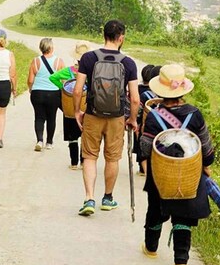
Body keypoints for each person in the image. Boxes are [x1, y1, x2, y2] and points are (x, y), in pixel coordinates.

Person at [139, 64, 214, 265]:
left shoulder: (154, 117)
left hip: (162, 172)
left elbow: (145, 147)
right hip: (189, 171)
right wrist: (207, 165)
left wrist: (148, 168)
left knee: (155, 209)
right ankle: (181, 262)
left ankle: (151, 248)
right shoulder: (195, 114)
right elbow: (205, 146)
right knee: (184, 214)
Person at [72, 19, 140, 216]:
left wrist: (77, 111)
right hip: (117, 118)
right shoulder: (128, 63)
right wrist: (133, 119)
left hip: (93, 114)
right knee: (112, 158)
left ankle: (89, 199)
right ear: (121, 38)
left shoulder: (88, 58)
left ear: (104, 35)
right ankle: (107, 198)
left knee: (90, 157)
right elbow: (134, 99)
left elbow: (77, 90)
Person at [27, 37, 65, 151]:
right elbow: (63, 81)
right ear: (51, 47)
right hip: (53, 93)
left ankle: (39, 140)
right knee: (51, 118)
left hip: (37, 92)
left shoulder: (35, 61)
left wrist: (30, 89)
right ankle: (49, 142)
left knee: (39, 117)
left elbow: (30, 80)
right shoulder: (59, 61)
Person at [59, 41, 90, 169]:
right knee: (84, 135)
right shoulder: (90, 71)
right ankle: (83, 162)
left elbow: (53, 77)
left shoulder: (69, 71)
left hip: (71, 108)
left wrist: (63, 88)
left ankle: (73, 163)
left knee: (72, 136)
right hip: (85, 107)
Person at [133, 64, 160, 176]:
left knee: (143, 148)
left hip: (146, 127)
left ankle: (145, 171)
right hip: (163, 130)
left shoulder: (145, 95)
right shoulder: (171, 100)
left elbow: (139, 112)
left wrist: (136, 123)